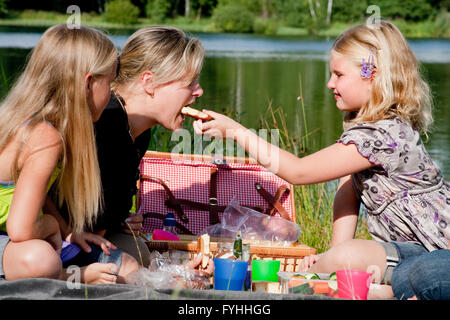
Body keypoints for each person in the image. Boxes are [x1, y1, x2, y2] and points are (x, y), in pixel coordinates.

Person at [192, 21, 449, 299]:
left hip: (434, 249)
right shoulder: (361, 128)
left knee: (351, 259)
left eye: (339, 74)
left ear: (371, 76)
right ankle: (349, 285)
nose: (330, 83)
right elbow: (347, 191)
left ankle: (302, 285)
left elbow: (298, 172)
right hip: (407, 250)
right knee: (344, 257)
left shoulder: (384, 134)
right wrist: (331, 254)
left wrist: (235, 131)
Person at [54, 25, 208, 269]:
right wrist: (72, 229)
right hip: (53, 240)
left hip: (95, 237)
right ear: (149, 82)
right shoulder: (104, 120)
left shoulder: (140, 131)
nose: (198, 91)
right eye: (190, 83)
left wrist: (120, 220)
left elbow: (105, 204)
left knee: (140, 251)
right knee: (130, 265)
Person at [0, 24, 139, 284]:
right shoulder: (45, 137)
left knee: (123, 264)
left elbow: (35, 195)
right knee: (39, 259)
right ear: (88, 83)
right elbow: (21, 229)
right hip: (15, 242)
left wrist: (69, 232)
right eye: (109, 82)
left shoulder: (42, 125)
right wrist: (52, 226)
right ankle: (77, 277)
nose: (111, 93)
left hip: (8, 240)